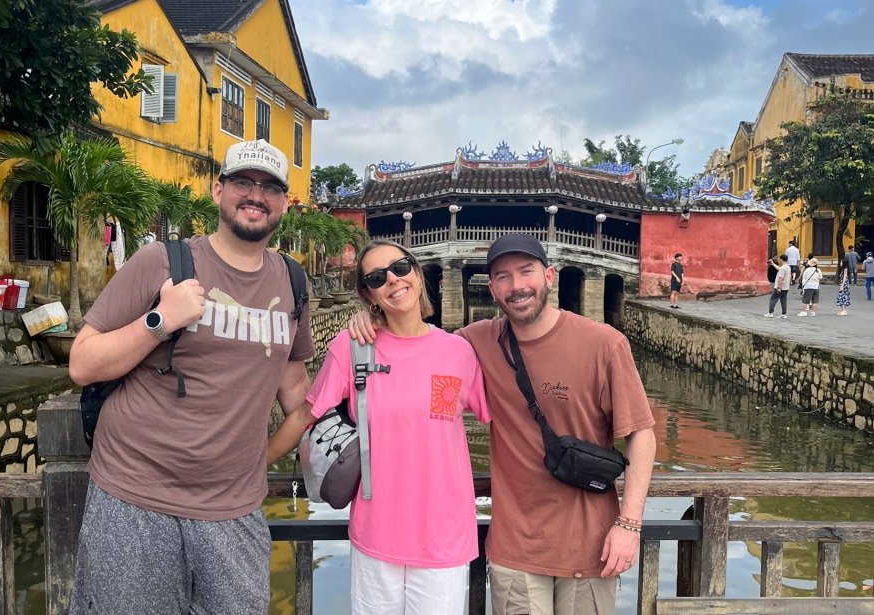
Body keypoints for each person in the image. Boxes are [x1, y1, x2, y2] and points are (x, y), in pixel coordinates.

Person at [67, 140, 315, 615]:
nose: (255, 195)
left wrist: (373, 347)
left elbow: (297, 396)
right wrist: (160, 319)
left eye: (270, 187)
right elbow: (82, 363)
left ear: (285, 203)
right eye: (243, 182)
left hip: (234, 508)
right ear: (218, 190)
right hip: (134, 493)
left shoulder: (292, 282)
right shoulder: (163, 261)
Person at [350, 234, 657, 615]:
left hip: (592, 545)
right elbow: (416, 345)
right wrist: (373, 317)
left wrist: (629, 525)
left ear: (549, 276)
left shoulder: (604, 344)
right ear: (492, 289)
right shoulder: (474, 343)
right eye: (503, 277)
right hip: (516, 549)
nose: (516, 286)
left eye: (526, 272)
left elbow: (641, 434)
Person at [267, 239, 490, 615]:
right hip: (377, 531)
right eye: (376, 276)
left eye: (400, 268)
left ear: (417, 274)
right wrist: (255, 467)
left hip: (445, 535)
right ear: (367, 293)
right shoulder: (353, 347)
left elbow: (502, 422)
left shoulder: (459, 352)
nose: (392, 280)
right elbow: (305, 416)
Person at [765, 254, 790, 318]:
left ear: (781, 259)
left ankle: (770, 312)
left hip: (780, 287)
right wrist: (773, 264)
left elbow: (780, 278)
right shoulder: (787, 267)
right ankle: (784, 314)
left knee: (773, 299)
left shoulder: (782, 268)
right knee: (783, 300)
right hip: (786, 287)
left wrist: (778, 287)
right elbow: (779, 269)